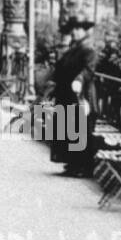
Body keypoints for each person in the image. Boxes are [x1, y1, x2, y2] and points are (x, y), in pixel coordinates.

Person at [45, 15, 98, 176]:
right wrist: (53, 84)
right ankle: (72, 163)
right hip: (66, 94)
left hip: (80, 94)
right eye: (73, 29)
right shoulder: (73, 49)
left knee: (80, 129)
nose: (74, 32)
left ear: (84, 30)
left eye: (78, 28)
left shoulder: (89, 49)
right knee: (68, 128)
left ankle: (83, 167)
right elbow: (61, 68)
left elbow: (88, 70)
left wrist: (79, 80)